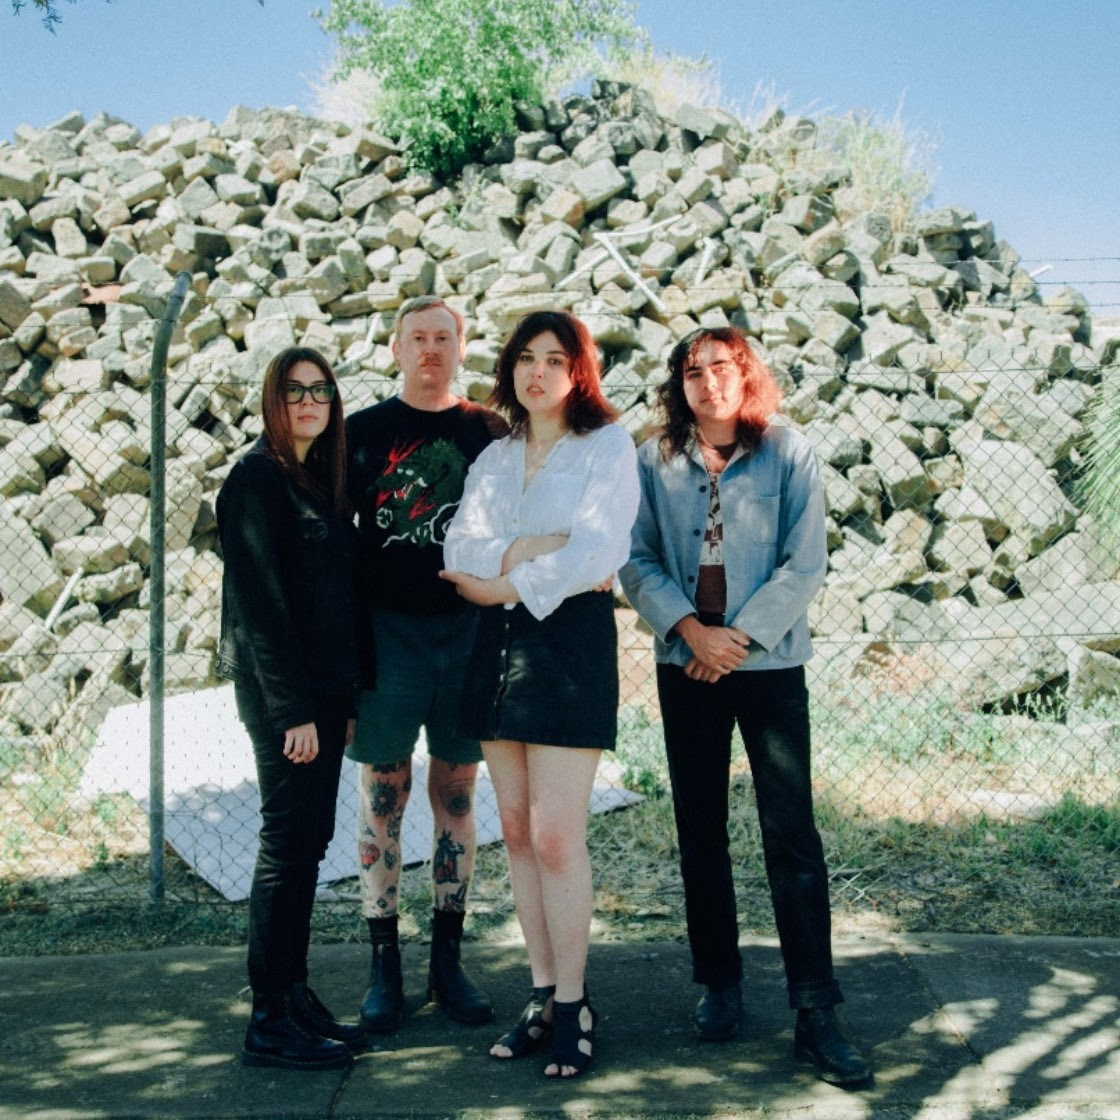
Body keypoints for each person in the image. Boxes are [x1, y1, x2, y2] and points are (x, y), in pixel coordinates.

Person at [618, 326, 871, 1087]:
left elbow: (805, 562)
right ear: (680, 385)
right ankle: (719, 985)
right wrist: (690, 630)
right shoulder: (653, 460)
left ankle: (815, 1011)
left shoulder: (788, 453)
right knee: (700, 829)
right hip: (686, 663)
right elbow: (636, 558)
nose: (708, 383)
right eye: (692, 372)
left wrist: (739, 639)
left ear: (746, 373)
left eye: (721, 368)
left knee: (790, 833)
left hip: (768, 666)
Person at [441, 309, 640, 1078]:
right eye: (526, 357)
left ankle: (576, 1002)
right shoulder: (495, 457)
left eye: (555, 359)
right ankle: (543, 992)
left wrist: (503, 579)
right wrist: (532, 552)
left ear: (578, 370)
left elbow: (600, 551)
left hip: (567, 650)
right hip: (494, 649)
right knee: (519, 832)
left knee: (557, 835)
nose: (538, 372)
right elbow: (459, 546)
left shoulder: (606, 446)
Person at [346, 296, 506, 1033]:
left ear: (461, 348)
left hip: (467, 632)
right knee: (384, 794)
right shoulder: (361, 433)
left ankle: (447, 960)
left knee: (457, 796)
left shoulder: (488, 432)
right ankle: (384, 964)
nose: (431, 349)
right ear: (396, 349)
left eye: (444, 337)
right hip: (386, 637)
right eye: (418, 337)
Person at [217, 346, 368, 1070]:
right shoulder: (256, 480)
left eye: (321, 391)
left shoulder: (316, 480)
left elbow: (335, 602)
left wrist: (343, 699)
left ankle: (296, 995)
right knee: (286, 845)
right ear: (272, 402)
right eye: (294, 391)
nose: (309, 402)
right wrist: (293, 713)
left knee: (309, 841)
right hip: (287, 702)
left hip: (324, 697)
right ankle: (269, 1019)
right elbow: (261, 612)